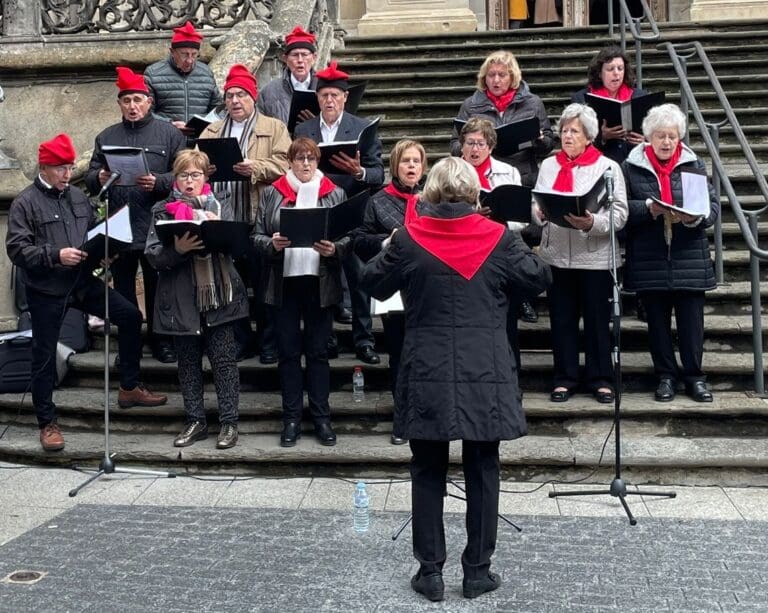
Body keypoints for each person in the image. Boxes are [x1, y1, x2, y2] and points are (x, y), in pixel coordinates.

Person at [362, 157, 550, 602]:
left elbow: (372, 282)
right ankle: (477, 572)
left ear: (429, 193)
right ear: (474, 194)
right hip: (484, 367)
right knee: (483, 468)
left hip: (426, 367)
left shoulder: (409, 239)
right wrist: (526, 234)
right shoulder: (499, 238)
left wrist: (389, 243)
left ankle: (430, 573)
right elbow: (539, 279)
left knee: (426, 468)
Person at [6, 134, 167, 452]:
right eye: (61, 168)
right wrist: (55, 255)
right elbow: (17, 248)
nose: (68, 174)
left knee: (131, 316)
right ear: (44, 167)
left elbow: (94, 227)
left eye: (69, 168)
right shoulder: (25, 202)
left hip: (81, 281)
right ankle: (46, 422)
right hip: (47, 289)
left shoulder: (76, 198)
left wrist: (106, 250)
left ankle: (129, 385)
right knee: (43, 354)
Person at [145, 149, 248, 449]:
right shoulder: (162, 210)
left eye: (195, 175)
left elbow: (237, 246)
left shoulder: (221, 204)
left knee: (224, 361)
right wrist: (178, 249)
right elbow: (152, 256)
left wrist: (219, 231)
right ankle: (195, 420)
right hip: (181, 298)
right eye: (183, 175)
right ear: (175, 178)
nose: (189, 181)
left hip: (220, 296)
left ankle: (229, 423)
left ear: (205, 177)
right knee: (188, 363)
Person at [85, 66, 186, 364]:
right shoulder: (106, 136)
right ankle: (129, 347)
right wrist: (99, 176)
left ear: (149, 101)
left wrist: (160, 182)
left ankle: (160, 341)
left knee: (158, 287)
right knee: (124, 290)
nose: (132, 106)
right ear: (119, 104)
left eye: (138, 100)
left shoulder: (168, 134)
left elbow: (183, 173)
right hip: (121, 222)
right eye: (127, 100)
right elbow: (91, 174)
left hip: (155, 221)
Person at [252, 138, 348, 448]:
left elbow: (350, 235)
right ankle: (291, 418)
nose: (305, 164)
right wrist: (271, 244)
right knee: (289, 353)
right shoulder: (272, 193)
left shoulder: (334, 193)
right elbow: (255, 235)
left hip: (320, 282)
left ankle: (321, 417)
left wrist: (336, 248)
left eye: (311, 158)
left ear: (318, 161)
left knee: (319, 353)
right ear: (290, 162)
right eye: (299, 158)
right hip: (284, 283)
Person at [621, 103, 720, 403]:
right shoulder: (631, 167)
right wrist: (649, 209)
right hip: (649, 256)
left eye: (672, 137)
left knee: (692, 324)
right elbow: (622, 208)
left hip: (688, 254)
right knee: (657, 324)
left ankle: (694, 377)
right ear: (649, 137)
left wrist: (694, 218)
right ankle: (665, 376)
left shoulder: (694, 165)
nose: (666, 142)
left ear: (680, 139)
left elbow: (712, 208)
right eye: (661, 136)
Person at [533, 103, 628, 403]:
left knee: (598, 321)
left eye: (574, 131)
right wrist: (539, 213)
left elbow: (621, 213)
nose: (567, 136)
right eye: (564, 130)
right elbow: (536, 204)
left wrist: (592, 222)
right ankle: (565, 377)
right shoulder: (549, 165)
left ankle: (600, 379)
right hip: (557, 255)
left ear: (589, 136)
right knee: (562, 319)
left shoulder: (608, 167)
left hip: (595, 257)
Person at [199, 64, 291, 363]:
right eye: (229, 96)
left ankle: (268, 343)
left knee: (264, 285)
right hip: (224, 217)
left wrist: (257, 167)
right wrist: (206, 169)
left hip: (258, 215)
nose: (235, 101)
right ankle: (242, 339)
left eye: (241, 95)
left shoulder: (273, 127)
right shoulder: (212, 130)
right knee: (231, 285)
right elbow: (193, 168)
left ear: (253, 97)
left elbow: (287, 165)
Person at [295, 61, 383, 365]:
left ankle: (364, 339)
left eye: (335, 95)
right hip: (317, 207)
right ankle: (327, 338)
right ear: (317, 98)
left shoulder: (362, 128)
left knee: (359, 277)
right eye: (324, 96)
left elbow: (378, 174)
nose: (329, 101)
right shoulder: (304, 129)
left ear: (345, 98)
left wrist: (359, 172)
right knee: (323, 277)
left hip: (353, 209)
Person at [354, 139, 427, 446]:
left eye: (417, 161)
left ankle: (424, 416)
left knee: (424, 354)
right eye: (406, 161)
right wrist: (388, 239)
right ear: (395, 165)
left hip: (426, 287)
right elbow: (360, 240)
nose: (411, 166)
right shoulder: (378, 200)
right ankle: (402, 418)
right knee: (399, 353)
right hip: (393, 286)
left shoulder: (432, 200)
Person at [458, 117, 536, 362]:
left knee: (506, 322)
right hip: (464, 255)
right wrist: (470, 217)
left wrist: (497, 219)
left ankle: (510, 378)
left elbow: (522, 220)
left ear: (491, 146)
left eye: (481, 143)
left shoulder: (509, 171)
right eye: (470, 143)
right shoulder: (450, 171)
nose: (475, 149)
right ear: (462, 146)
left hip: (499, 251)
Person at [449, 50, 553, 188]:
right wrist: (470, 146)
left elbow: (549, 143)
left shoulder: (533, 103)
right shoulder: (471, 105)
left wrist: (538, 140)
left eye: (502, 75)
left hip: (523, 178)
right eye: (491, 75)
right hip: (481, 178)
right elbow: (455, 144)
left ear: (512, 77)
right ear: (484, 78)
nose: (496, 80)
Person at [571, 46, 646, 164]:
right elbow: (574, 138)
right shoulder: (581, 99)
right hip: (598, 163)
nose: (616, 73)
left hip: (634, 162)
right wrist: (602, 137)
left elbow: (655, 133)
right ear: (600, 73)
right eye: (610, 69)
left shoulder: (640, 96)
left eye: (620, 68)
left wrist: (644, 140)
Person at [144, 20, 223, 133]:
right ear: (172, 52)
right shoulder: (153, 73)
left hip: (199, 138)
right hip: (167, 137)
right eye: (184, 54)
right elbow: (145, 111)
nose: (190, 60)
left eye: (194, 54)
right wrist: (170, 124)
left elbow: (218, 108)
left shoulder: (206, 72)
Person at [257, 26, 318, 128]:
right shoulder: (269, 92)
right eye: (294, 55)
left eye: (304, 54)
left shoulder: (324, 87)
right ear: (285, 59)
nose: (300, 60)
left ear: (314, 58)